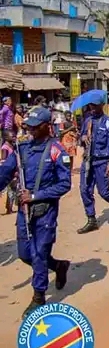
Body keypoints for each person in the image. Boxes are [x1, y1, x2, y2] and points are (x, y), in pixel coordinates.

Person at [0, 107, 71, 317]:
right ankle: (58, 266)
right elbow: (5, 173)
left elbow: (65, 184)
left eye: (34, 127)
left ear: (45, 126)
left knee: (39, 253)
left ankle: (38, 296)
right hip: (24, 212)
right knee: (25, 254)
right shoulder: (22, 150)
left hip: (44, 211)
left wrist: (36, 195)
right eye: (28, 126)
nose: (29, 130)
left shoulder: (57, 151)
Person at [76, 94, 109, 234]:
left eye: (95, 106)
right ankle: (91, 219)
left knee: (104, 192)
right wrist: (83, 137)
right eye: (91, 105)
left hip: (102, 161)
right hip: (88, 160)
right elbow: (80, 139)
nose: (92, 108)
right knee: (84, 189)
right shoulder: (87, 121)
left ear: (101, 106)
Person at [1, 133, 17, 214]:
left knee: (12, 190)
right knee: (11, 190)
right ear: (6, 138)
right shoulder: (5, 147)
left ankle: (9, 207)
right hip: (8, 171)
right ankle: (9, 208)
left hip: (12, 170)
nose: (14, 137)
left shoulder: (13, 146)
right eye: (12, 136)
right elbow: (3, 161)